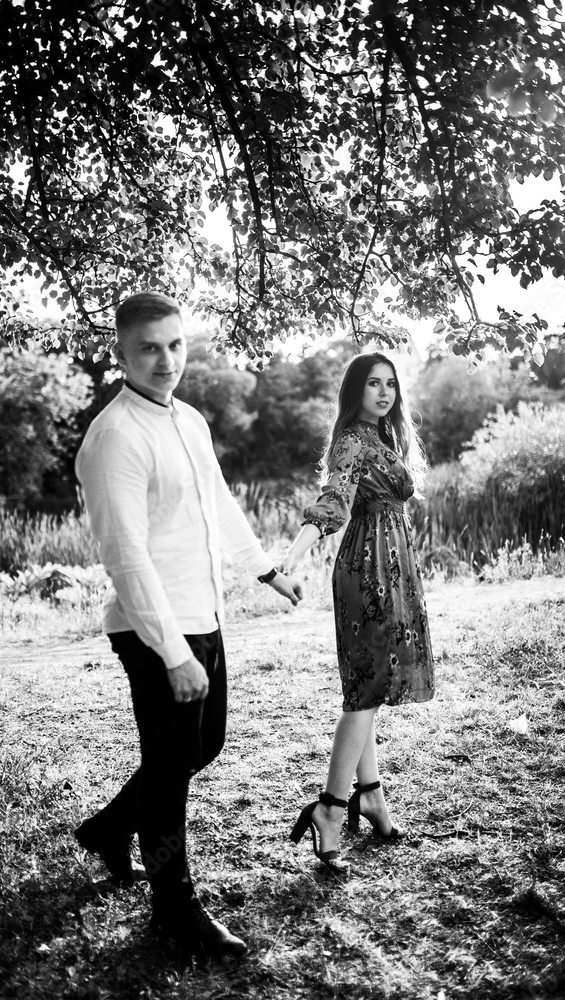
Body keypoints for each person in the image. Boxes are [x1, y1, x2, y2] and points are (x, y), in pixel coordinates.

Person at [74, 290, 302, 959]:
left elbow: (218, 502)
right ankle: (174, 907)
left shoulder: (189, 419)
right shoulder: (115, 437)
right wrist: (173, 653)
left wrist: (264, 570)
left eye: (175, 344)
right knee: (171, 767)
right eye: (148, 348)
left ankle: (107, 830)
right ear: (120, 354)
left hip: (204, 612)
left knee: (201, 746)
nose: (166, 359)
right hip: (154, 628)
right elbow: (125, 556)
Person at [283, 352, 434, 871]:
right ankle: (329, 808)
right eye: (373, 383)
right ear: (356, 390)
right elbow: (333, 502)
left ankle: (370, 797)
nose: (384, 392)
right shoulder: (352, 439)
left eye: (390, 383)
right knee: (365, 692)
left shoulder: (381, 437)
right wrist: (290, 558)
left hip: (392, 568)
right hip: (368, 573)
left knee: (367, 689)